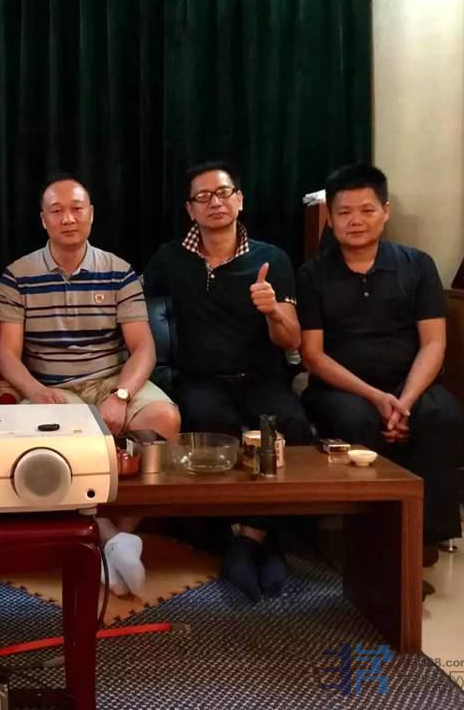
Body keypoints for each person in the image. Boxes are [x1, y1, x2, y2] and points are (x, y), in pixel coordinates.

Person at [0, 175, 180, 597]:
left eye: (76, 208)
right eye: (57, 211)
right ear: (43, 220)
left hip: (111, 380)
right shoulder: (17, 275)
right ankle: (110, 539)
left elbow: (143, 348)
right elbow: (7, 355)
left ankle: (120, 535)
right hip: (52, 388)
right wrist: (37, 392)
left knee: (164, 419)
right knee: (28, 439)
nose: (68, 218)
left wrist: (121, 395)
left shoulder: (118, 271)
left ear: (91, 215)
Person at [143, 160, 313, 601]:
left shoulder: (271, 259)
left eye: (223, 193)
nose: (214, 203)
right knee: (207, 421)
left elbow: (291, 339)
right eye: (203, 197)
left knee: (290, 425)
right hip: (201, 380)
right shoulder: (169, 258)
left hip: (262, 378)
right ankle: (254, 540)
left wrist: (272, 310)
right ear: (190, 209)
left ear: (239, 200)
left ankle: (251, 540)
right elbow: (131, 303)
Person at [297, 163, 463, 566]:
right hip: (341, 388)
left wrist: (404, 401)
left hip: (410, 383)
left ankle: (423, 537)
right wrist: (375, 397)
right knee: (357, 420)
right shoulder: (313, 274)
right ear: (330, 218)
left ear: (385, 212)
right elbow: (313, 355)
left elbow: (434, 343)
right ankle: (368, 537)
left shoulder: (417, 265)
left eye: (367, 210)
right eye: (344, 212)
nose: (355, 220)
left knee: (443, 415)